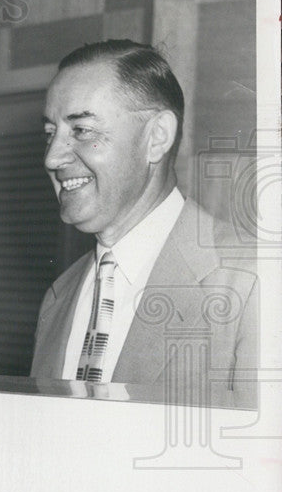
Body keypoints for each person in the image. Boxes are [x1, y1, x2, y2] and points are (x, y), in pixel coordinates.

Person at [30, 40, 257, 405]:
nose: (52, 157)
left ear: (156, 137)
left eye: (82, 130)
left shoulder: (250, 284)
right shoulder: (59, 295)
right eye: (49, 133)